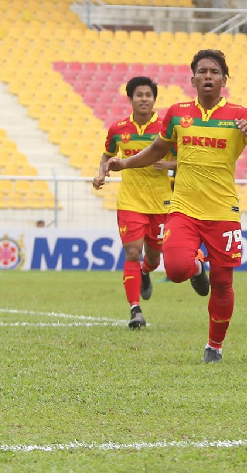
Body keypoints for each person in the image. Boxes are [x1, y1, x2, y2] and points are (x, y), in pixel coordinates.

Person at [102, 49, 247, 362]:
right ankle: (198, 267)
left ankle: (215, 346)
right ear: (193, 78)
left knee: (223, 283)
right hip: (182, 208)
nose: (208, 76)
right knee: (178, 269)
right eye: (202, 71)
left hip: (223, 212)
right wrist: (125, 163)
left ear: (224, 80)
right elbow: (158, 149)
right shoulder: (177, 113)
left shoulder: (241, 116)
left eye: (214, 72)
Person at [92, 75, 174, 330]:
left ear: (154, 100)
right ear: (130, 99)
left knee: (153, 257)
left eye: (148, 95)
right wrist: (100, 174)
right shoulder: (118, 130)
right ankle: (135, 310)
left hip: (161, 202)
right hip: (130, 201)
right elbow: (107, 154)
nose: (144, 99)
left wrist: (169, 165)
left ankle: (146, 272)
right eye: (139, 95)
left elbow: (186, 158)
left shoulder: (166, 129)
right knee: (132, 252)